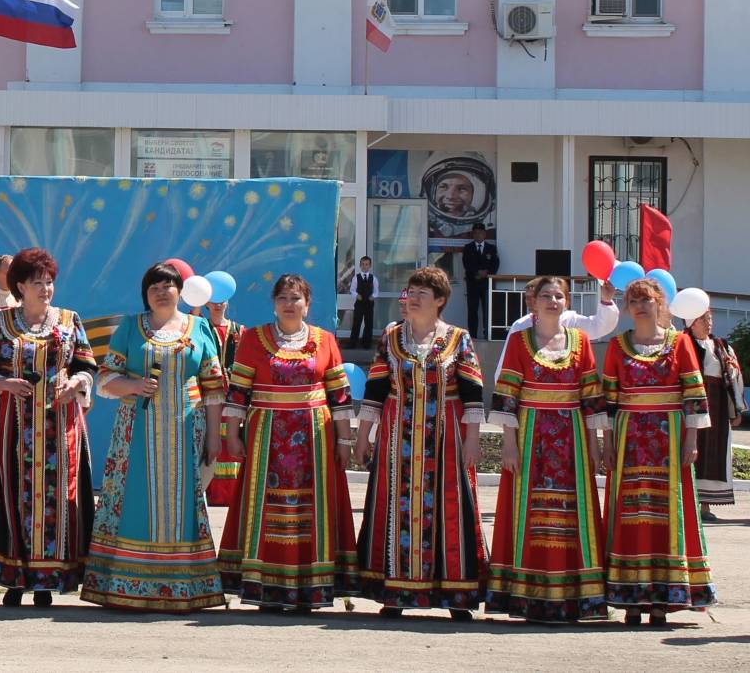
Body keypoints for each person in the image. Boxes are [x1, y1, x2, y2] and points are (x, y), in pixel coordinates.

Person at [81, 262, 225, 613]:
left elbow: (214, 388)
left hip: (187, 430)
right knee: (133, 501)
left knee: (183, 506)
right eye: (154, 287)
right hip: (135, 433)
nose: (162, 292)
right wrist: (133, 384)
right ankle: (125, 585)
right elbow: (104, 378)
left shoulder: (200, 327)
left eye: (168, 285)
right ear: (145, 294)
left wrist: (215, 439)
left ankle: (182, 588)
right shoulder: (130, 328)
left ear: (180, 290)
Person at [217, 273, 358, 611]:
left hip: (315, 440)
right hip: (267, 437)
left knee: (312, 509)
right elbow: (238, 394)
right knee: (265, 508)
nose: (289, 304)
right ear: (273, 303)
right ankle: (265, 587)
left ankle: (311, 588)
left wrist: (345, 440)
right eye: (282, 298)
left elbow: (339, 397)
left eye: (296, 298)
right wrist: (232, 435)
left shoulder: (325, 341)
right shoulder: (254, 339)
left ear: (307, 304)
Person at [353, 266, 486, 619]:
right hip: (398, 440)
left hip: (446, 440)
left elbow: (473, 397)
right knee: (394, 508)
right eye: (410, 292)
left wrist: (473, 443)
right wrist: (363, 435)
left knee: (449, 509)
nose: (412, 298)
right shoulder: (391, 337)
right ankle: (395, 593)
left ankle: (455, 595)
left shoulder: (459, 339)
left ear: (440, 301)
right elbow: (376, 390)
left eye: (421, 294)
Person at [0, 247, 96, 606]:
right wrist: (3, 383)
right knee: (12, 496)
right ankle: (15, 578)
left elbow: (87, 366)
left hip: (60, 424)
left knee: (60, 498)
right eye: (37, 282)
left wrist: (77, 383)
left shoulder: (70, 320)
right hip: (12, 426)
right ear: (20, 286)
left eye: (49, 281)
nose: (45, 288)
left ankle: (48, 579)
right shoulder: (1, 322)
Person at [486, 275, 608, 623]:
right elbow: (506, 396)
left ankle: (574, 596)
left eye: (559, 295)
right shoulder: (519, 341)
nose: (553, 301)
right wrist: (508, 445)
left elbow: (592, 399)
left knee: (572, 514)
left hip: (571, 440)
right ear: (533, 303)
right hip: (531, 437)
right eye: (546, 296)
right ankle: (529, 596)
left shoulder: (581, 341)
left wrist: (597, 446)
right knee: (530, 512)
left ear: (566, 302)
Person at [601, 277, 716, 626]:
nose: (640, 305)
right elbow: (608, 402)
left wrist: (692, 440)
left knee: (667, 517)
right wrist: (606, 444)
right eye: (633, 300)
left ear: (660, 304)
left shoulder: (679, 343)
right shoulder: (618, 346)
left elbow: (694, 396)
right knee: (631, 516)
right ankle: (630, 599)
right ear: (626, 307)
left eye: (647, 299)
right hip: (629, 442)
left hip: (669, 440)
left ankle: (663, 599)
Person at [493, 279, 620, 385]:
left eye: (557, 296)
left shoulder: (571, 321)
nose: (530, 302)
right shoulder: (520, 326)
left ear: (566, 302)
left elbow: (599, 326)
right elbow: (505, 369)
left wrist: (606, 300)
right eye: (528, 298)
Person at [683, 302, 744, 519]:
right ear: (692, 323)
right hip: (690, 405)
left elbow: (733, 376)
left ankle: (705, 506)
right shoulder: (683, 343)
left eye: (710, 320)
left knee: (713, 452)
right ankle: (687, 504)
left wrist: (736, 409)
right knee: (691, 451)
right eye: (704, 320)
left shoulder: (721, 345)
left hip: (716, 404)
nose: (709, 324)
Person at [200, 299, 241, 507]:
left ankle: (230, 493)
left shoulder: (239, 330)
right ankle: (207, 490)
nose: (217, 305)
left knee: (230, 438)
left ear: (227, 302)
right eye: (213, 301)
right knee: (209, 436)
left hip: (232, 396)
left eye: (221, 301)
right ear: (206, 303)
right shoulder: (199, 327)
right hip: (207, 394)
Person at [459, 224, 499, 339]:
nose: (478, 235)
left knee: (488, 310)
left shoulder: (491, 248)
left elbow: (495, 263)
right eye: (475, 232)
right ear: (473, 234)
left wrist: (487, 273)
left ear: (484, 234)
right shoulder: (468, 247)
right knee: (472, 310)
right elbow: (466, 264)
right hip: (473, 283)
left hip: (487, 283)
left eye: (480, 232)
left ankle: (488, 335)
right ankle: (473, 336)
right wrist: (477, 272)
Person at [349, 257, 378, 350]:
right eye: (363, 264)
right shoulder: (356, 278)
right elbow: (352, 290)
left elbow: (376, 291)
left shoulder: (373, 278)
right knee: (356, 322)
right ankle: (352, 343)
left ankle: (366, 343)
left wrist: (373, 296)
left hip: (369, 303)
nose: (364, 266)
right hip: (359, 303)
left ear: (370, 266)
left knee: (368, 323)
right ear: (360, 265)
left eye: (367, 264)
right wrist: (357, 295)